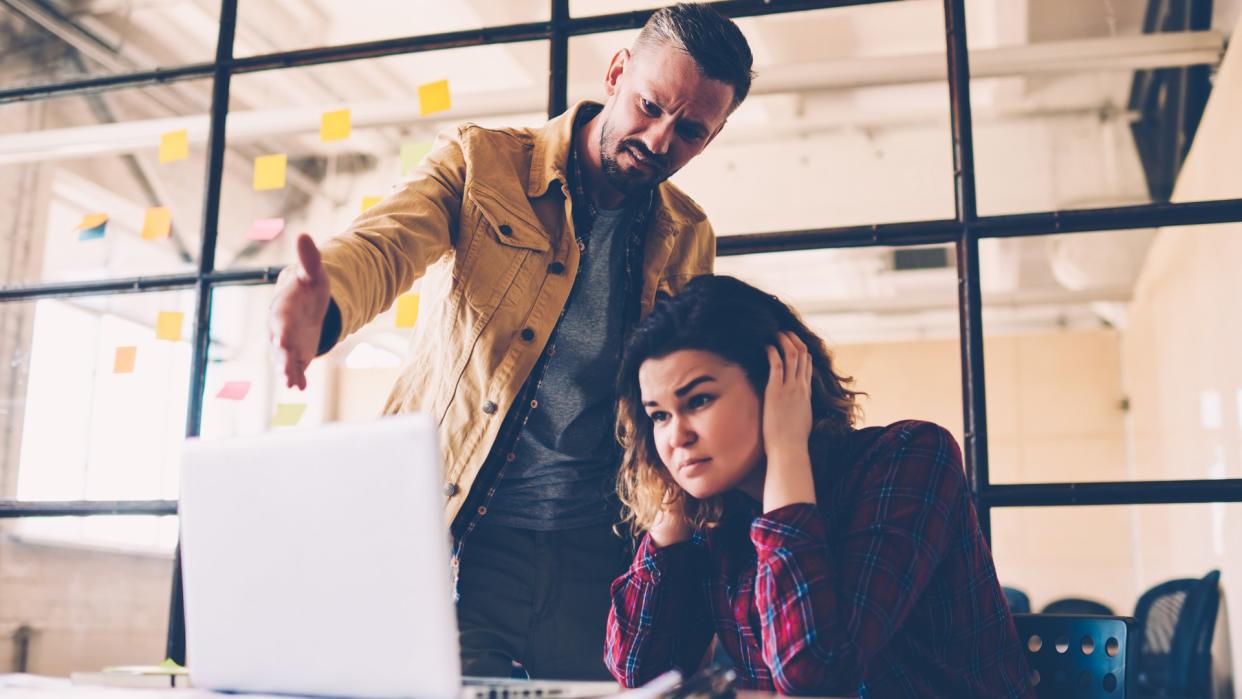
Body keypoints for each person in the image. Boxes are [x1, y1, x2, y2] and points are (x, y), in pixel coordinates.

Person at [265, 3, 755, 681]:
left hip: (601, 545)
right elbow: (384, 245)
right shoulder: (481, 162)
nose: (660, 138)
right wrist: (324, 304)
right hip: (463, 529)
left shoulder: (688, 234)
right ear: (617, 72)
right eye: (649, 105)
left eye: (691, 131)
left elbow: (681, 396)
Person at [606, 275, 1034, 697]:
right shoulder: (717, 516)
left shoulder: (910, 456)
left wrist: (787, 449)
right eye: (659, 415)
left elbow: (814, 670)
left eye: (698, 400)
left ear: (779, 382)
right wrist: (668, 508)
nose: (676, 436)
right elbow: (640, 678)